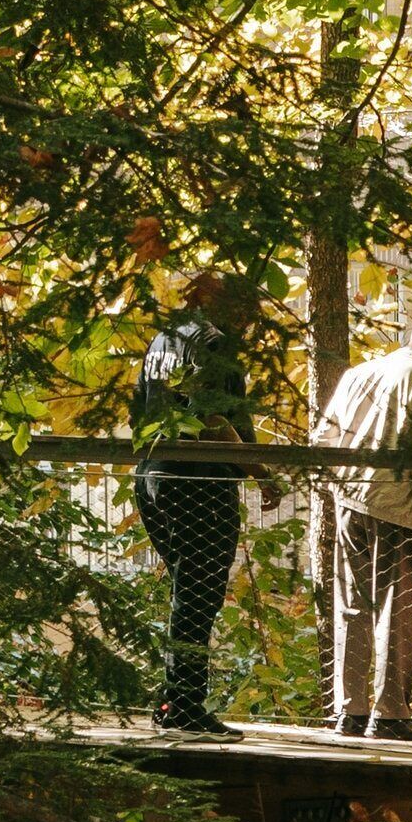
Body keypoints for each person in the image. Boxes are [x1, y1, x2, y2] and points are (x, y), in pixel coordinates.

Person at [131, 273, 279, 736]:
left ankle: (174, 701)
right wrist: (260, 472)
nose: (251, 326)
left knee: (187, 591)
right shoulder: (212, 343)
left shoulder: (164, 339)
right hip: (198, 482)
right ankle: (185, 705)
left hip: (154, 474)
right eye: (249, 315)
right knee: (199, 595)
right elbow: (211, 416)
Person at [307, 320, 412, 739]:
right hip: (397, 509)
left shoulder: (357, 374)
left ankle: (350, 712)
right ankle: (391, 715)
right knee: (399, 612)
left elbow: (323, 438)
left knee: (351, 607)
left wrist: (338, 490)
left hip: (349, 503)